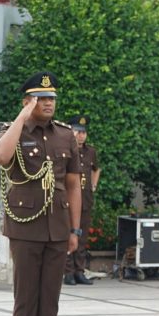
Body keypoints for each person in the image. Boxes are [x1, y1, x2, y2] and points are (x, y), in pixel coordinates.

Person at [0, 71, 81, 316]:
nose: (48, 103)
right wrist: (22, 116)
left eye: (51, 98)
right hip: (24, 225)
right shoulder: (12, 131)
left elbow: (73, 185)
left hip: (57, 226)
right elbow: (0, 157)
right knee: (26, 294)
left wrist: (75, 229)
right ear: (27, 101)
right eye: (41, 98)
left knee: (50, 295)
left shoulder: (65, 135)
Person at [63, 115, 100, 286]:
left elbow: (96, 168)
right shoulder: (65, 148)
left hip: (85, 199)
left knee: (82, 238)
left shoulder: (90, 151)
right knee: (68, 235)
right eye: (78, 131)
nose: (81, 135)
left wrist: (93, 185)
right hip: (67, 200)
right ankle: (68, 272)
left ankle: (79, 271)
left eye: (83, 132)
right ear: (70, 130)